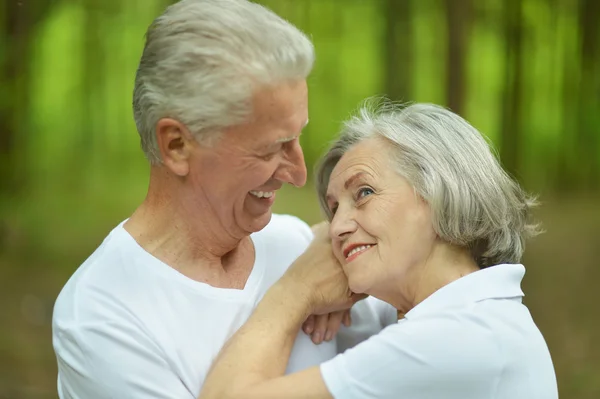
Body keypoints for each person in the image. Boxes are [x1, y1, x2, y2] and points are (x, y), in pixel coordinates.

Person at [52, 0, 369, 397]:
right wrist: (293, 296)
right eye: (272, 148)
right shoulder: (103, 317)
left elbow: (428, 333)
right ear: (178, 145)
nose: (299, 173)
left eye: (298, 137)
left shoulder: (302, 245)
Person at [198, 101, 559, 399]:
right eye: (335, 207)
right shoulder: (478, 315)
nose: (337, 226)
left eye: (364, 193)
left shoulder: (452, 338)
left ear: (439, 193)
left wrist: (295, 292)